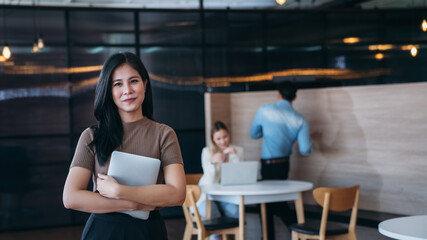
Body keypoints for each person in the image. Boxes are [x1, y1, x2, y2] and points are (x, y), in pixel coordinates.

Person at [62, 52, 186, 240]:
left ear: (145, 84)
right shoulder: (91, 136)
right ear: (109, 91)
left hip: (148, 231)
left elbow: (177, 194)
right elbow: (70, 197)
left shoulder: (164, 134)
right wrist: (132, 204)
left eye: (133, 81)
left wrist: (121, 192)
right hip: (103, 231)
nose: (127, 90)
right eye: (117, 84)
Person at [250, 81, 312, 240]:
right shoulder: (300, 119)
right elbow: (305, 150)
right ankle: (300, 233)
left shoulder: (264, 110)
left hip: (267, 166)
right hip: (284, 166)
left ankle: (300, 233)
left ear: (278, 94)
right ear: (295, 97)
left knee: (270, 203)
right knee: (273, 202)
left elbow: (254, 134)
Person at [197, 121, 244, 219]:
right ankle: (216, 235)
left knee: (236, 213)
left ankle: (232, 234)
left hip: (227, 194)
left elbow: (239, 177)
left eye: (225, 137)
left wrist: (234, 157)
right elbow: (210, 179)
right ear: (213, 139)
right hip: (208, 194)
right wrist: (213, 163)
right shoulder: (207, 152)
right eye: (218, 139)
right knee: (211, 213)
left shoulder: (238, 151)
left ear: (229, 135)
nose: (223, 141)